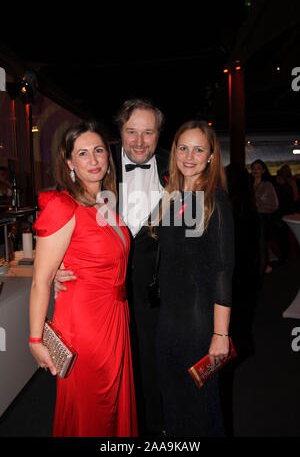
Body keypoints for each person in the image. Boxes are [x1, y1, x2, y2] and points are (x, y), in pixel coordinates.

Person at [54, 98, 168, 435]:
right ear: (119, 131)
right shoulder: (97, 166)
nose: (139, 141)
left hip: (154, 295)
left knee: (150, 370)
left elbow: (193, 234)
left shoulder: (174, 168)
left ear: (159, 134)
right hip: (102, 299)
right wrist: (58, 265)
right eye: (131, 131)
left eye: (148, 132)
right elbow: (66, 220)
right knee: (105, 382)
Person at [29, 121, 138, 437]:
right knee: (94, 410)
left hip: (115, 316)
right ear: (69, 163)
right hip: (86, 324)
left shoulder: (106, 202)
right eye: (83, 153)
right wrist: (35, 339)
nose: (93, 160)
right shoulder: (64, 205)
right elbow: (41, 279)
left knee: (113, 405)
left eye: (99, 150)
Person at [150, 120, 235, 437]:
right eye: (183, 147)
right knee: (173, 403)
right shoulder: (173, 199)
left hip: (199, 325)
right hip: (169, 321)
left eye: (199, 149)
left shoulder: (215, 201)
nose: (189, 156)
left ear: (211, 155)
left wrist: (221, 334)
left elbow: (224, 269)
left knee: (199, 408)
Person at [250, 159, 279, 274]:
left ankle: (264, 265)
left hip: (262, 220)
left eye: (258, 168)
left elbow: (275, 205)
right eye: (253, 168)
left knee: (262, 244)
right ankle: (256, 266)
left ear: (263, 171)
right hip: (251, 220)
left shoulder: (267, 185)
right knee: (253, 244)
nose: (255, 171)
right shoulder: (248, 185)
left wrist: (258, 207)